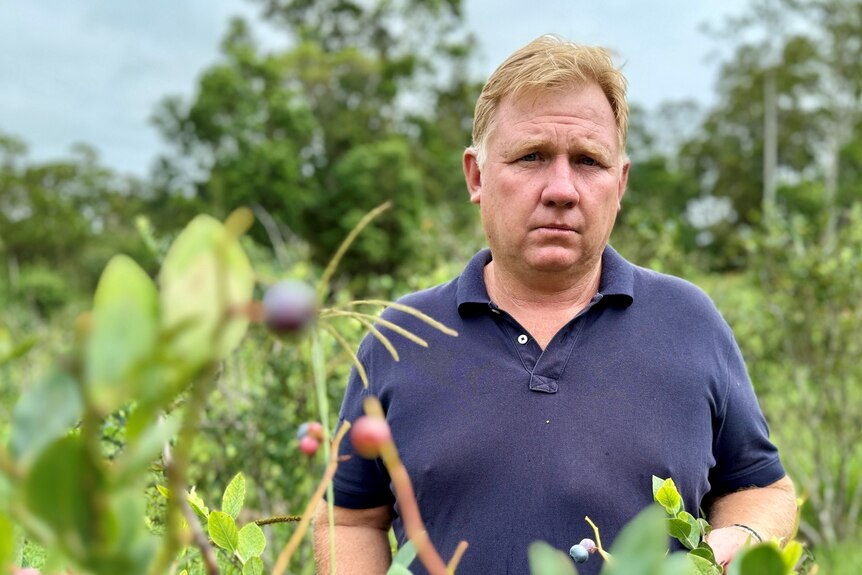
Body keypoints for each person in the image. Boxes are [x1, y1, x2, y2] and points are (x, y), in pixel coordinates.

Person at [312, 34, 797, 574]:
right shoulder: (402, 336)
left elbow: (762, 487)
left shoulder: (690, 322)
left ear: (621, 181)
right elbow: (351, 518)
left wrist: (746, 533)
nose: (561, 188)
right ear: (476, 175)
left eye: (588, 160)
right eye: (532, 157)